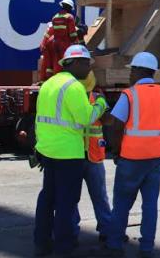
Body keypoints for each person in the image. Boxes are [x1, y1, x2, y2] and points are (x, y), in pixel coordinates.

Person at [103, 52, 160, 257]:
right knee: (150, 204)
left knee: (122, 205)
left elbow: (116, 125)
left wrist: (116, 151)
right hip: (156, 157)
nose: (129, 75)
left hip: (131, 158)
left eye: (131, 70)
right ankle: (146, 248)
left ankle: (115, 245)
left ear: (138, 71)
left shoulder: (130, 94)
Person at [33, 45, 108, 257]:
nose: (88, 68)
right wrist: (101, 104)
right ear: (74, 63)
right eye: (86, 63)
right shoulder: (73, 87)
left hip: (48, 151)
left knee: (47, 199)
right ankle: (63, 247)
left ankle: (42, 243)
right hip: (69, 154)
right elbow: (86, 119)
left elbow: (41, 118)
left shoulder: (48, 84)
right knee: (67, 202)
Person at [73, 70, 112, 243]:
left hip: (89, 154)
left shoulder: (95, 98)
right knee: (80, 196)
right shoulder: (77, 97)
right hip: (77, 154)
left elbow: (108, 121)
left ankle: (104, 229)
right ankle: (104, 230)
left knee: (97, 196)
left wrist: (102, 106)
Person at [42, 0, 80, 76]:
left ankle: (56, 77)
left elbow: (53, 31)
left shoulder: (55, 17)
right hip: (65, 44)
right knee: (66, 61)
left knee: (57, 61)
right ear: (69, 8)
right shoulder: (69, 17)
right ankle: (66, 76)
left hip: (55, 43)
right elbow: (72, 34)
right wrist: (77, 43)